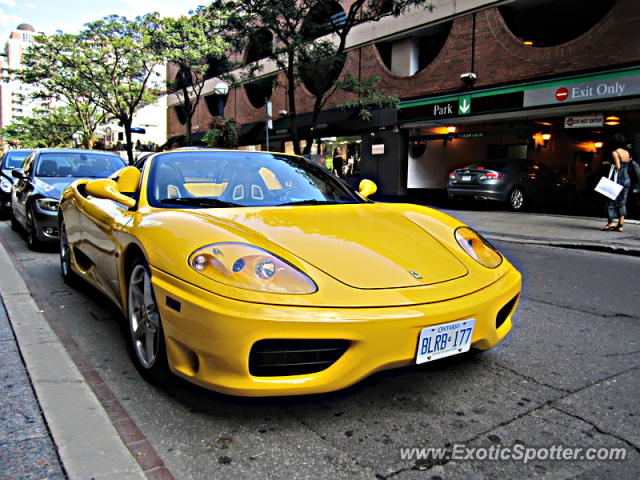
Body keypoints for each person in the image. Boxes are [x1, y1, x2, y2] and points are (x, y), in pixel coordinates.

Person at [602, 134, 632, 232]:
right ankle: (620, 225)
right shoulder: (627, 152)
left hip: (617, 179)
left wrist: (608, 164)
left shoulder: (615, 152)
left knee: (611, 200)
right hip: (626, 179)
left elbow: (618, 167)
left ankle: (611, 223)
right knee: (622, 202)